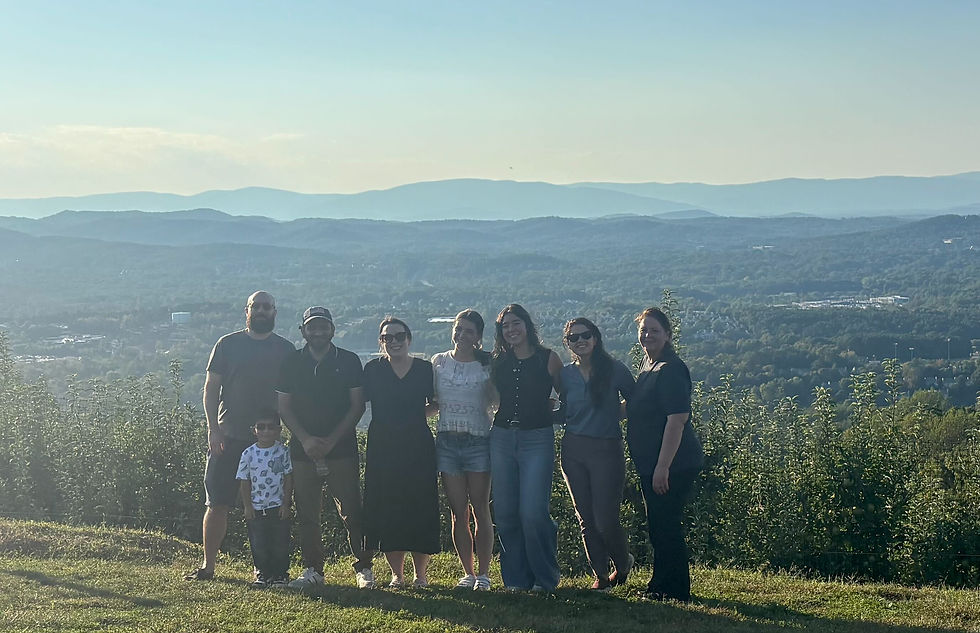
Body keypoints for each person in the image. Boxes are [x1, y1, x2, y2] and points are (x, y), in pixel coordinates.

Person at [186, 290, 295, 581]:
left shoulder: (286, 349)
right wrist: (213, 429)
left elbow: (292, 397)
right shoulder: (227, 344)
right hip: (229, 436)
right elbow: (211, 390)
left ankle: (266, 568)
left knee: (269, 509)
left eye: (267, 307)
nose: (261, 311)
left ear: (275, 312)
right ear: (246, 311)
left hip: (270, 441)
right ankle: (208, 567)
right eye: (255, 306)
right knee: (217, 502)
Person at [277, 306, 375, 591]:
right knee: (307, 513)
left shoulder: (349, 360)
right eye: (312, 327)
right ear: (303, 330)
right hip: (301, 449)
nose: (318, 332)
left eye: (323, 326)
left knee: (353, 511)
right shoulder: (291, 362)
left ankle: (364, 567)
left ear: (332, 328)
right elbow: (283, 406)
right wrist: (306, 439)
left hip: (342, 448)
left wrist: (331, 440)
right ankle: (313, 569)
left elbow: (357, 405)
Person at [625, 307, 704, 602]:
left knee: (666, 525)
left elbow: (677, 419)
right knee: (659, 524)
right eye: (643, 330)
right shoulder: (649, 364)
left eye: (654, 331)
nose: (647, 335)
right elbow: (636, 408)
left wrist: (662, 467)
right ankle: (661, 585)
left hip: (674, 464)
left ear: (668, 335)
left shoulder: (670, 368)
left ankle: (673, 590)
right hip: (651, 463)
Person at [489, 304, 563, 591]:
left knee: (533, 512)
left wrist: (551, 414)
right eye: (505, 326)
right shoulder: (498, 361)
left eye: (515, 323)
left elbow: (566, 395)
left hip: (537, 439)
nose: (511, 330)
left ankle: (545, 578)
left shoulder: (548, 358)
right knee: (506, 513)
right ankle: (516, 580)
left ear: (527, 325)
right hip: (502, 437)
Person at [362, 317, 440, 588]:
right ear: (381, 341)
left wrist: (416, 418)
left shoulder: (424, 369)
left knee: (419, 503)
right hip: (382, 445)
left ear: (409, 338)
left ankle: (421, 574)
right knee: (388, 504)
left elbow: (435, 403)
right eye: (387, 337)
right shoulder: (372, 369)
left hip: (417, 444)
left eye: (398, 336)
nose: (393, 342)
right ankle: (397, 573)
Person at [559, 317, 636, 591]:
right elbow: (556, 405)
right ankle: (601, 576)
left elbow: (636, 398)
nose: (580, 341)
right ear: (567, 343)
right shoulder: (565, 374)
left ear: (596, 337)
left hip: (606, 448)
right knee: (586, 518)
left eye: (585, 335)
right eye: (573, 338)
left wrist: (615, 416)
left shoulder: (615, 369)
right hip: (573, 449)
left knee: (605, 518)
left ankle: (622, 564)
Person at [430, 309, 496, 591]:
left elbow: (498, 401)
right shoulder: (439, 362)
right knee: (458, 512)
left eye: (469, 331)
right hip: (446, 441)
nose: (461, 335)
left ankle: (484, 574)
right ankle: (467, 572)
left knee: (480, 508)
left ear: (478, 336)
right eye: (458, 329)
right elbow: (433, 404)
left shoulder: (487, 365)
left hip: (478, 440)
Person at [236, 412, 293, 588]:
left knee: (280, 543)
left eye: (270, 427)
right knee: (259, 543)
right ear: (254, 430)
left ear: (278, 430)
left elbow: (288, 477)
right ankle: (262, 573)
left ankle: (280, 575)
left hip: (277, 506)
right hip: (257, 507)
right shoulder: (248, 454)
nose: (265, 431)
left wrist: (286, 503)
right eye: (261, 427)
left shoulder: (283, 451)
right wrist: (247, 506)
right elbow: (244, 480)